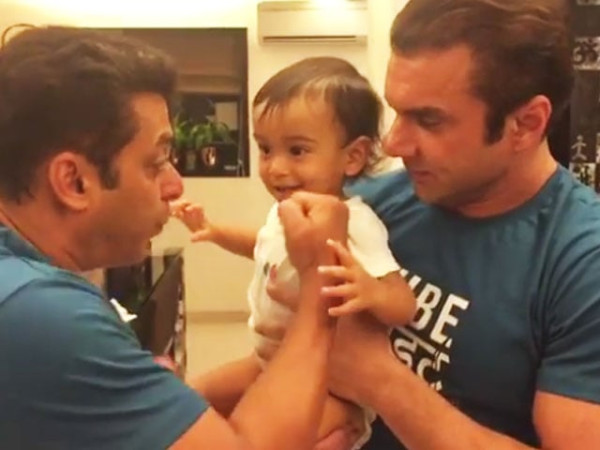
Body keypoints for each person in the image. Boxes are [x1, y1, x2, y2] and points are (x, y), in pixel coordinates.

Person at [0, 26, 350, 449]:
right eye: (157, 163)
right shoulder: (42, 312)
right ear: (73, 182)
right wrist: (319, 285)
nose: (175, 185)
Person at [301, 0, 600, 448]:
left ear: (525, 123)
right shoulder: (367, 208)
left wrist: (381, 379)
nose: (393, 143)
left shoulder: (583, 262)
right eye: (397, 111)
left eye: (429, 120)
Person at [172, 56, 417, 449]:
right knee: (185, 403)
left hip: (335, 387)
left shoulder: (354, 222)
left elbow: (404, 304)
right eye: (266, 149)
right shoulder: (285, 211)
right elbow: (262, 244)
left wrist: (369, 290)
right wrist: (215, 231)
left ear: (352, 156)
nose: (275, 167)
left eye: (297, 150)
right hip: (268, 361)